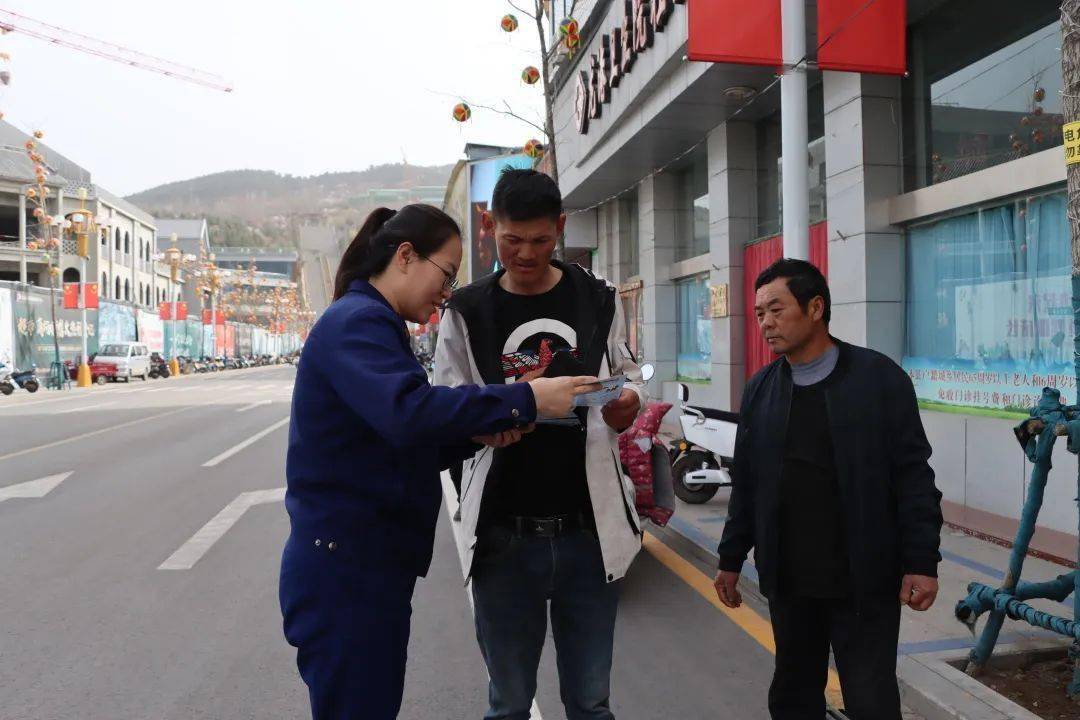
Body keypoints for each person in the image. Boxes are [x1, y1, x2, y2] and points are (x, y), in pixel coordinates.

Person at [279, 204, 598, 720]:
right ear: (406, 256)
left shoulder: (375, 323)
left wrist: (481, 433)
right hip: (348, 574)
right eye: (446, 274)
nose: (447, 292)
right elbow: (409, 412)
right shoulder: (358, 323)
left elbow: (404, 445)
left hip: (363, 569)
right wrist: (527, 398)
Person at [434, 169, 646, 720]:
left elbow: (626, 378)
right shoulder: (466, 311)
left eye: (540, 240)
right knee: (508, 705)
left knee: (591, 703)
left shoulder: (597, 299)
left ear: (560, 227)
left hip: (588, 535)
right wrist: (486, 423)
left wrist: (629, 403)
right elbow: (446, 405)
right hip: (502, 539)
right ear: (489, 226)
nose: (526, 254)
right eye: (512, 239)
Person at [714, 259, 944, 720]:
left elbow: (913, 476)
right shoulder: (761, 390)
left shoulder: (878, 379)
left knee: (871, 700)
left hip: (865, 578)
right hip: (789, 580)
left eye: (776, 309)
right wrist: (730, 557)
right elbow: (749, 484)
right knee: (793, 695)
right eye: (759, 313)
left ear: (816, 307)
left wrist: (921, 561)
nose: (766, 323)